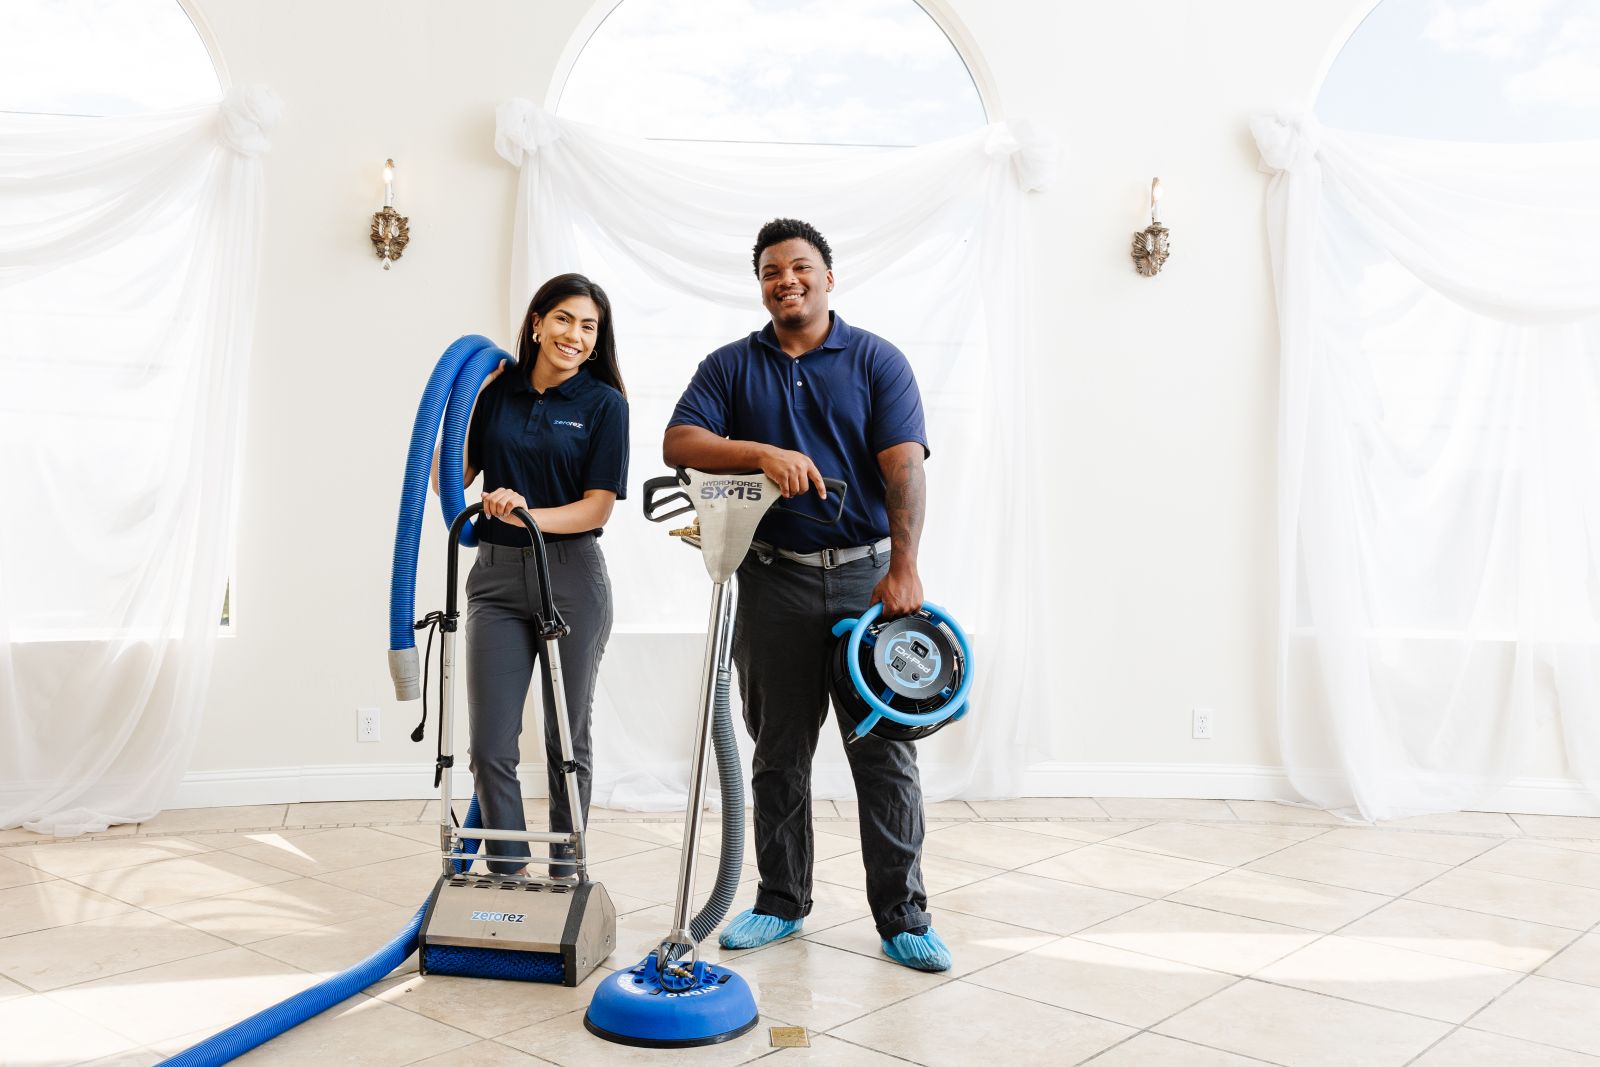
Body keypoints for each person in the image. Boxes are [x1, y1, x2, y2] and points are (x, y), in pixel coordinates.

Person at [663, 218, 949, 971]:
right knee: (779, 752)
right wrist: (762, 451)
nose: (785, 280)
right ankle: (781, 901)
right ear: (760, 285)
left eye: (799, 267)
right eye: (770, 271)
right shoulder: (731, 366)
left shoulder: (877, 360)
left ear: (828, 276)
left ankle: (904, 915)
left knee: (883, 754)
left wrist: (905, 569)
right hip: (772, 577)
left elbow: (904, 467)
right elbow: (679, 442)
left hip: (868, 579)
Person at [432, 273, 628, 879]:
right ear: (537, 322)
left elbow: (598, 507)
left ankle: (567, 873)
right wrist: (464, 401)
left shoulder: (604, 405)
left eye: (588, 326)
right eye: (564, 319)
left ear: (597, 341)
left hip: (569, 576)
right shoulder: (496, 393)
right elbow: (445, 478)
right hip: (492, 579)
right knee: (490, 746)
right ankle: (509, 875)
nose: (574, 335)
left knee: (565, 740)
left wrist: (524, 515)